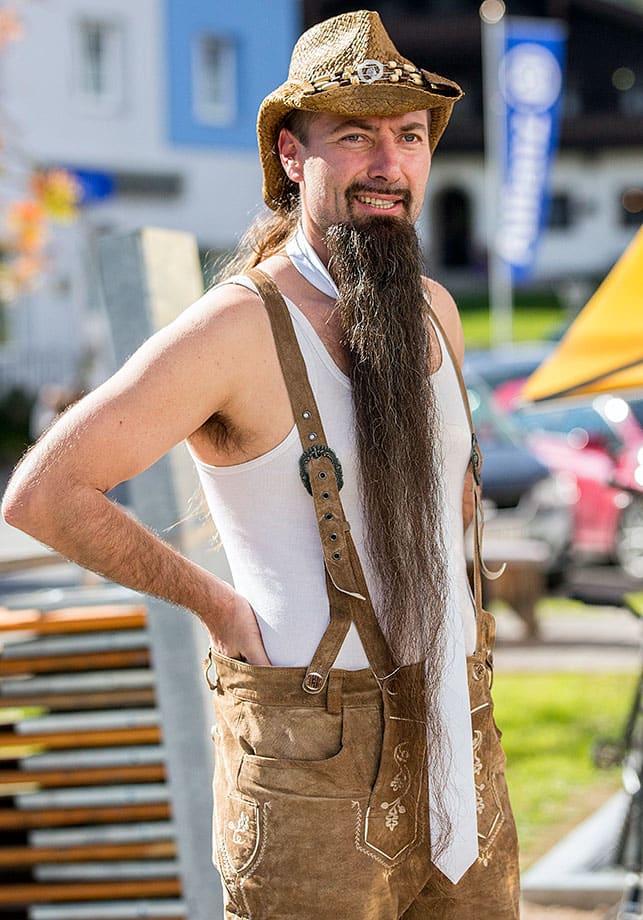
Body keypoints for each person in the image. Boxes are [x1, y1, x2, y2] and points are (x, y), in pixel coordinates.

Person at [2, 10, 520, 918]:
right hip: (310, 752)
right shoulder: (238, 327)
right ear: (290, 154)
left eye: (407, 137)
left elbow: (455, 491)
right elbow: (43, 494)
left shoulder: (435, 310)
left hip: (461, 731)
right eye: (354, 137)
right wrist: (214, 604)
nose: (388, 166)